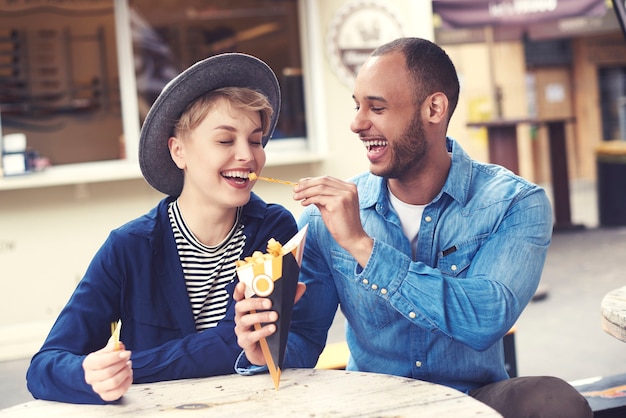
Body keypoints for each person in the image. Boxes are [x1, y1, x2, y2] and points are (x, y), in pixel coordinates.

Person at [233, 38, 592, 417]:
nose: (357, 123)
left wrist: (363, 246)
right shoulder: (323, 220)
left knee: (555, 401)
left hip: (474, 399)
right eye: (357, 106)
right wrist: (266, 349)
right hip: (373, 405)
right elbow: (304, 341)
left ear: (434, 108)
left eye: (377, 107)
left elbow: (485, 319)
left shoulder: (514, 204)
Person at [26, 53, 298, 404]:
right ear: (179, 151)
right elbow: (43, 367)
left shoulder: (274, 230)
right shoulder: (129, 247)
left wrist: (133, 367)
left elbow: (239, 341)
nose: (248, 155)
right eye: (226, 141)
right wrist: (91, 374)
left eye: (256, 140)